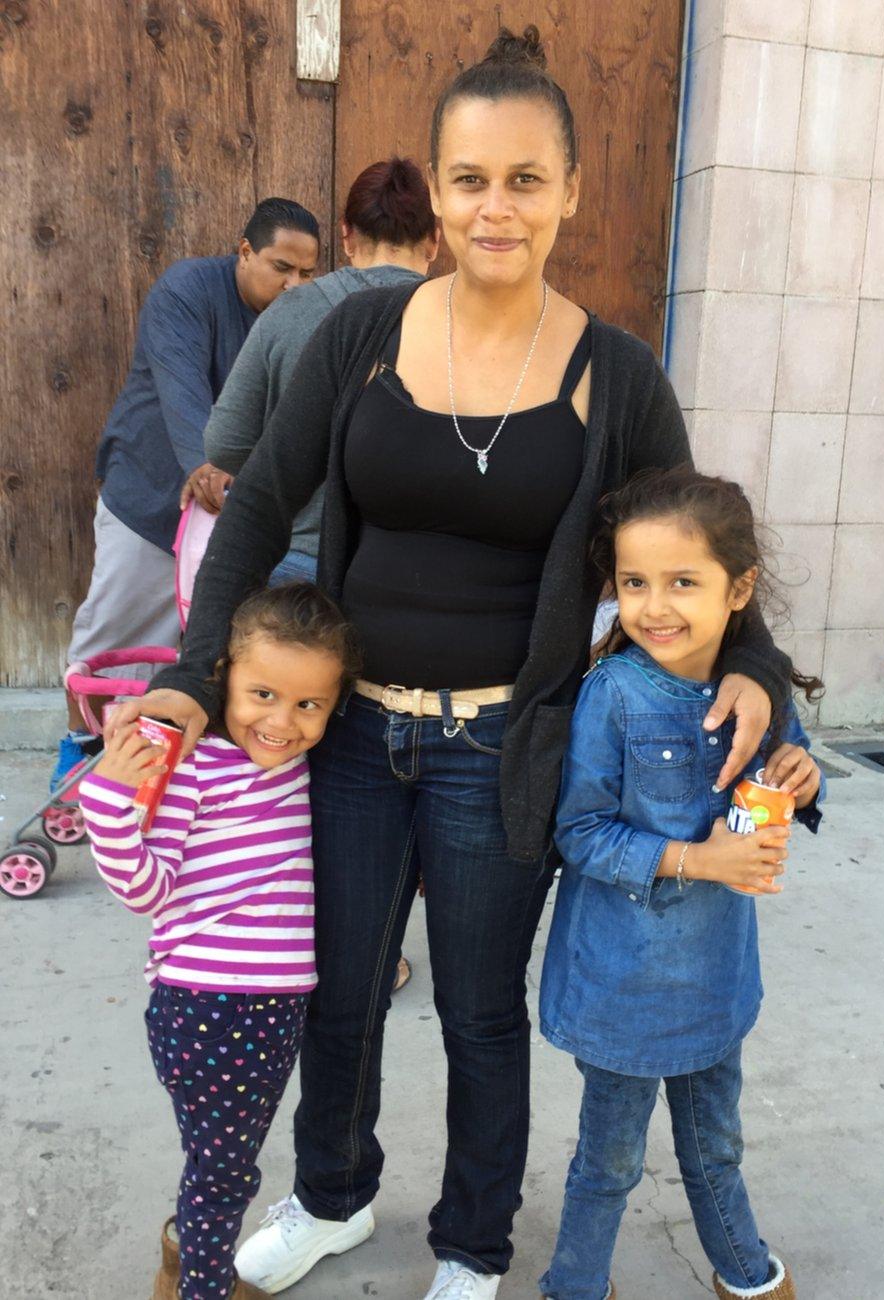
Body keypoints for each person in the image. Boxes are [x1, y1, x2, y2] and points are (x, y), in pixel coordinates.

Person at [115, 26, 798, 1300]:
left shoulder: (617, 372)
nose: (498, 206)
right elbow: (259, 509)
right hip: (354, 737)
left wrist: (751, 649)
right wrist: (189, 672)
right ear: (434, 187)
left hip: (505, 744)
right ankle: (331, 1197)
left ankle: (474, 1244)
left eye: (526, 178)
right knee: (340, 996)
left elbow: (694, 535)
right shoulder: (360, 336)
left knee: (483, 1014)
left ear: (570, 190)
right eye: (471, 177)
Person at [538, 467, 825, 1300]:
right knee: (610, 1160)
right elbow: (579, 832)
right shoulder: (615, 696)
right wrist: (697, 859)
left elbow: (790, 769)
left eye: (683, 582)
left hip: (715, 978)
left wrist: (803, 777)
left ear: (740, 588)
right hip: (621, 987)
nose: (655, 606)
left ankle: (745, 1272)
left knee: (715, 1145)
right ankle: (575, 1285)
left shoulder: (754, 694)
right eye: (634, 582)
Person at [78, 583, 362, 1300]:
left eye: (308, 705)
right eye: (262, 694)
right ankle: (202, 1287)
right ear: (222, 679)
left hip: (268, 1013)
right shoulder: (194, 767)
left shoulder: (298, 767)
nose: (283, 722)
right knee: (226, 1170)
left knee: (216, 1160)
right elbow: (146, 890)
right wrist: (108, 805)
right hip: (211, 1010)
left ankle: (182, 1254)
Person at [52, 199, 321, 788]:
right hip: (150, 499)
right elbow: (181, 388)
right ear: (244, 251)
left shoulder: (301, 316)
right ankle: (79, 750)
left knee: (215, 654)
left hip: (236, 515)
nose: (295, 285)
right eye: (281, 267)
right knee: (117, 640)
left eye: (307, 273)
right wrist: (205, 465)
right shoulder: (186, 291)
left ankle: (168, 777)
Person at [204, 158, 439, 587]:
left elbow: (224, 443)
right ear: (435, 240)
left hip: (292, 567)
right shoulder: (458, 325)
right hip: (411, 575)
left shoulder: (291, 311)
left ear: (346, 236)